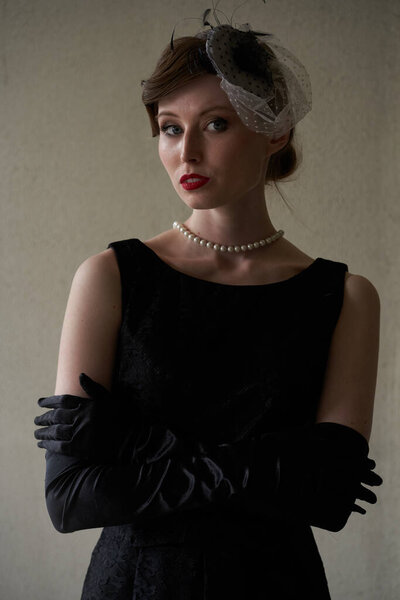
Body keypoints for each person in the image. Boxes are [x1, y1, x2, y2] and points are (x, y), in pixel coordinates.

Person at [34, 5, 383, 599]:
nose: (186, 152)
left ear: (275, 131)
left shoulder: (346, 295)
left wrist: (138, 444)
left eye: (216, 124)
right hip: (136, 586)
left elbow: (326, 499)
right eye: (171, 127)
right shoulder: (110, 276)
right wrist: (271, 467)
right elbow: (71, 499)